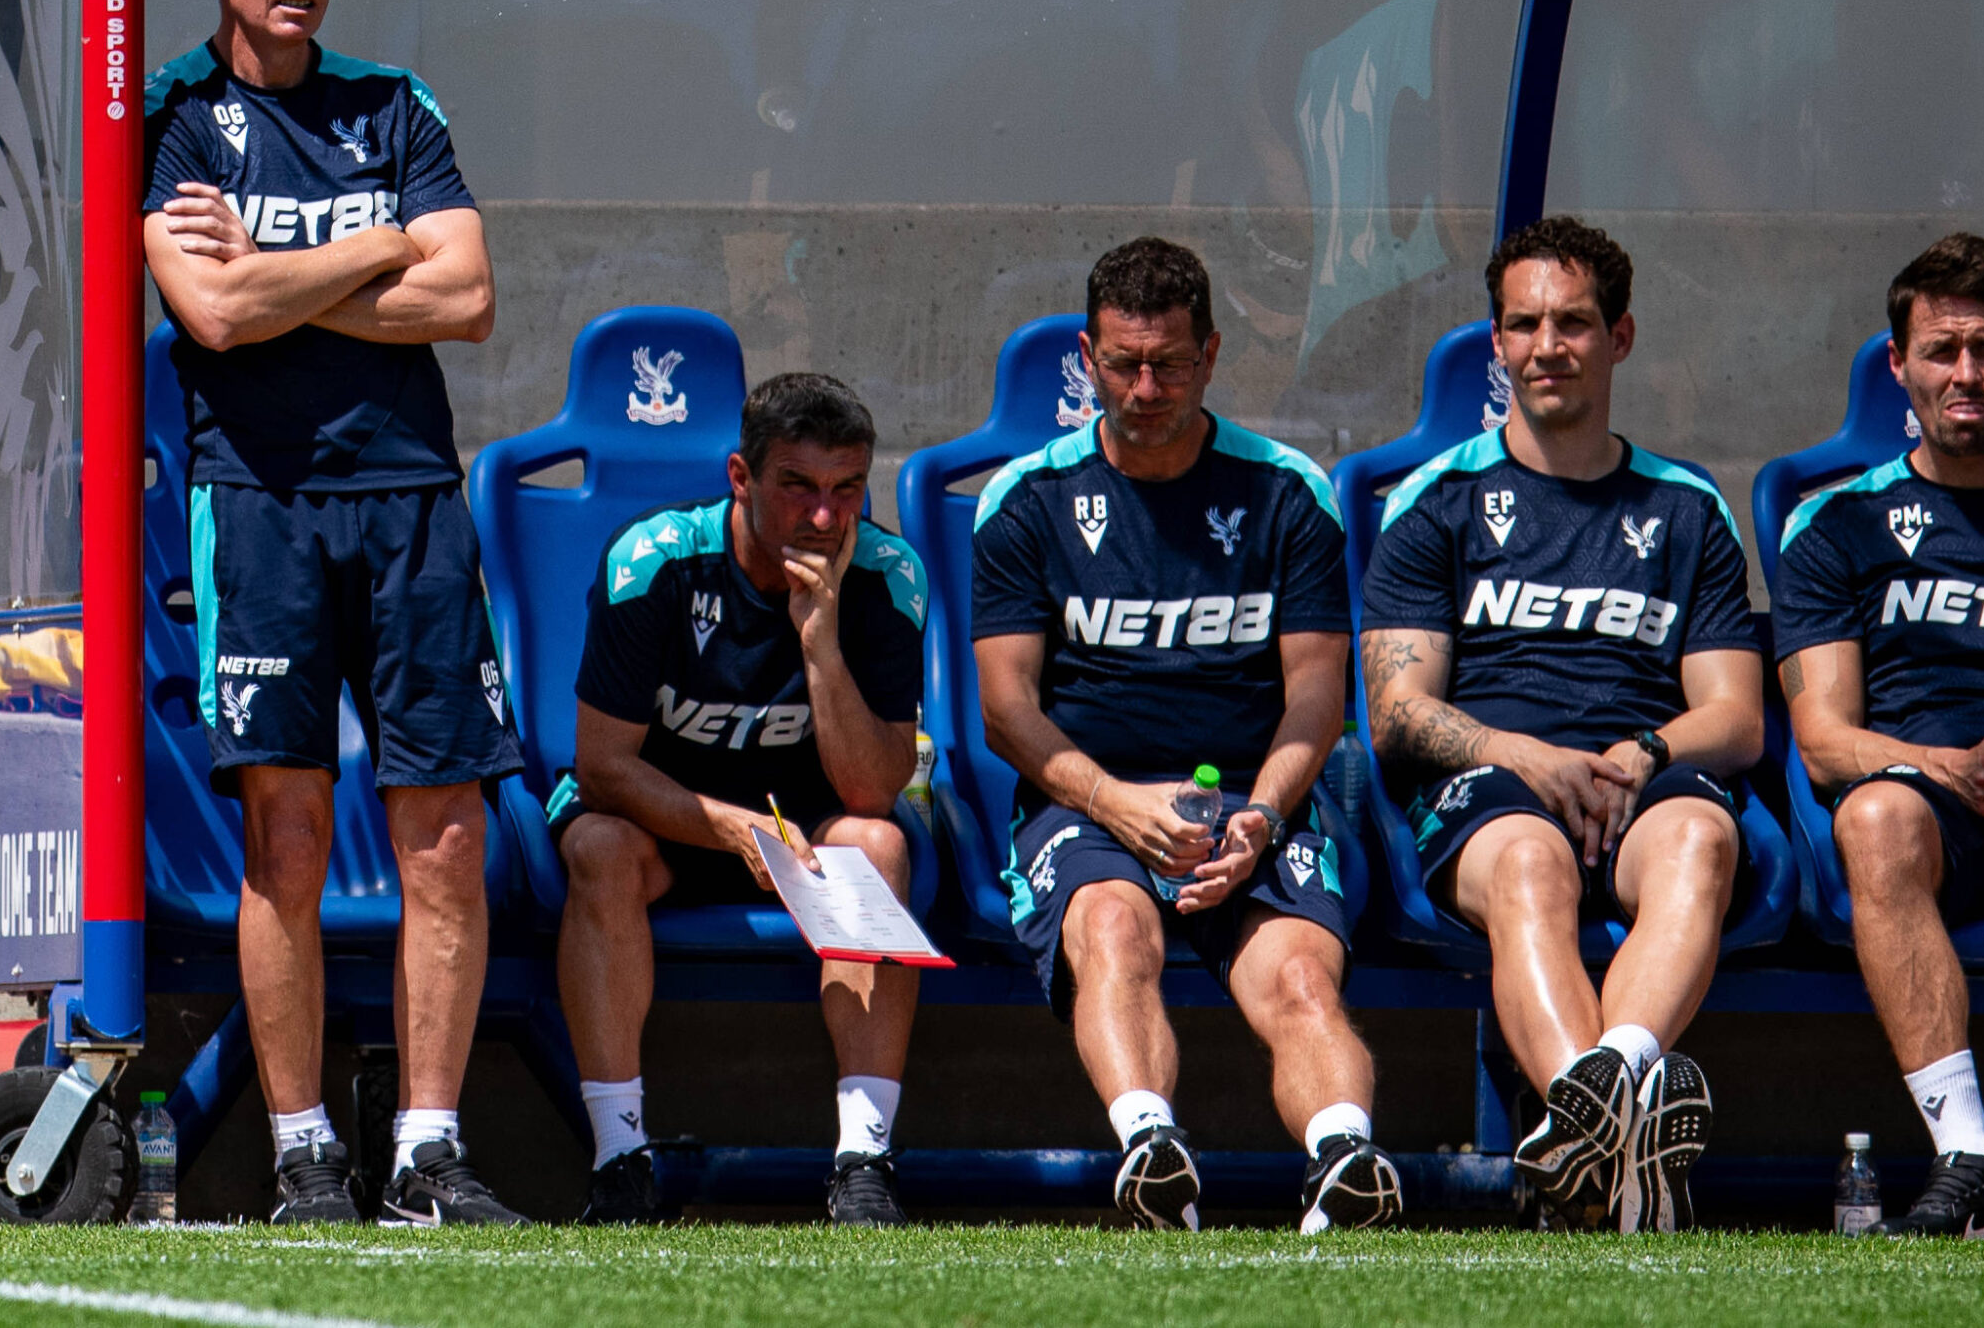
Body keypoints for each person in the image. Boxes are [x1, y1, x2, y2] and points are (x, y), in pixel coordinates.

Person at [140, 0, 527, 1226]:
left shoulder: (394, 104)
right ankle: (304, 1147)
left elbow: (470, 294)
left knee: (444, 840)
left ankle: (427, 1148)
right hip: (258, 504)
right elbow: (217, 317)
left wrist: (299, 265)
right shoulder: (177, 117)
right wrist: (378, 249)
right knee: (287, 835)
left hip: (415, 498)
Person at [971, 237, 1399, 1235]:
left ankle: (1343, 1163)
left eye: (1169, 361)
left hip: (1254, 800)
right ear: (1086, 355)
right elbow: (1005, 708)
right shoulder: (1026, 499)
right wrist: (1115, 801)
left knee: (1298, 975)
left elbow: (1314, 699)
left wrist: (1259, 814)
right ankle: (1152, 1154)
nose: (1147, 384)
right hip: (1088, 799)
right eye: (1122, 362)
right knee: (1113, 930)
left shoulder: (1288, 492)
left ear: (1210, 354)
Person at [1360, 216, 1764, 1235]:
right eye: (1523, 324)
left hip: (1642, 776)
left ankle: (1597, 1109)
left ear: (1619, 337)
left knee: (1702, 836)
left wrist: (1646, 750)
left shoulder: (1685, 507)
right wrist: (1522, 754)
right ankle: (1619, 1140)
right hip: (1494, 785)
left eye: (1573, 323)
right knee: (1533, 864)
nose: (1547, 345)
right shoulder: (1433, 501)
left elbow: (1735, 715)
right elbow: (1399, 713)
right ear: (1494, 342)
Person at [550, 373, 929, 1227]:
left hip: (810, 825)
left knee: (880, 846)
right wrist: (729, 828)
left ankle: (864, 1163)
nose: (825, 518)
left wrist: (821, 642)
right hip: (663, 812)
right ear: (740, 478)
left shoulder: (887, 572)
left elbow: (874, 786)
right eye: (797, 486)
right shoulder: (653, 561)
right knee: (597, 849)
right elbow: (602, 763)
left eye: (845, 491)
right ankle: (620, 1161)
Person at [1773, 233, 1984, 1238]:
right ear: (1899, 364)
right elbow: (1824, 737)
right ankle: (1970, 1159)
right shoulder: (1836, 523)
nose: (1964, 373)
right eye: (1940, 350)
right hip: (1937, 814)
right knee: (1875, 812)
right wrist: (1954, 771)